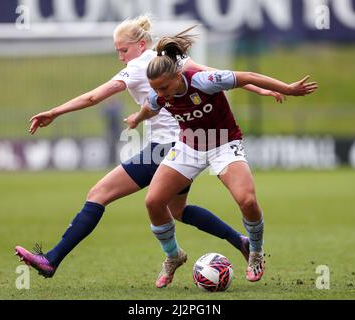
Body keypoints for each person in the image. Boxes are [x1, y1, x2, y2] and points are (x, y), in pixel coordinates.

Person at [14, 15, 286, 282]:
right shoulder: (172, 62)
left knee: (99, 193)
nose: (121, 56)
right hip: (184, 142)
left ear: (141, 45)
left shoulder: (137, 68)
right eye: (117, 51)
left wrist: (54, 112)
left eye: (124, 49)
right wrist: (259, 89)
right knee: (177, 210)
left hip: (168, 146)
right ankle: (239, 242)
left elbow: (93, 96)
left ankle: (51, 259)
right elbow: (212, 74)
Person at [124, 29, 317, 287]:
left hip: (225, 144)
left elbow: (247, 76)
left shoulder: (204, 81)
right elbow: (150, 107)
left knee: (246, 200)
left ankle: (256, 252)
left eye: (165, 87)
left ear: (177, 76)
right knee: (153, 202)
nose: (162, 93)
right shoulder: (158, 94)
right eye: (156, 89)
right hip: (189, 147)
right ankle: (173, 256)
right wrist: (137, 118)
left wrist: (288, 89)